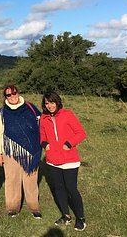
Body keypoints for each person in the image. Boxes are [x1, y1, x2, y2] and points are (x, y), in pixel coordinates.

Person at [0, 84, 43, 219]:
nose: (12, 97)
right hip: (11, 152)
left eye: (14, 93)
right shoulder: (2, 113)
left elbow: (42, 125)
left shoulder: (31, 108)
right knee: (12, 179)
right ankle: (13, 207)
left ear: (18, 93)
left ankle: (34, 206)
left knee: (31, 179)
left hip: (31, 151)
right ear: (5, 97)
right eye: (9, 95)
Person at [40, 91, 87, 231]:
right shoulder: (43, 118)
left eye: (52, 102)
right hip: (53, 160)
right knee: (59, 188)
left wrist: (68, 144)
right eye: (47, 103)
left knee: (71, 189)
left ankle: (80, 218)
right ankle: (66, 215)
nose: (50, 106)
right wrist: (44, 144)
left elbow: (81, 133)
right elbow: (42, 135)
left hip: (69, 159)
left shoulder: (68, 114)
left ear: (57, 102)